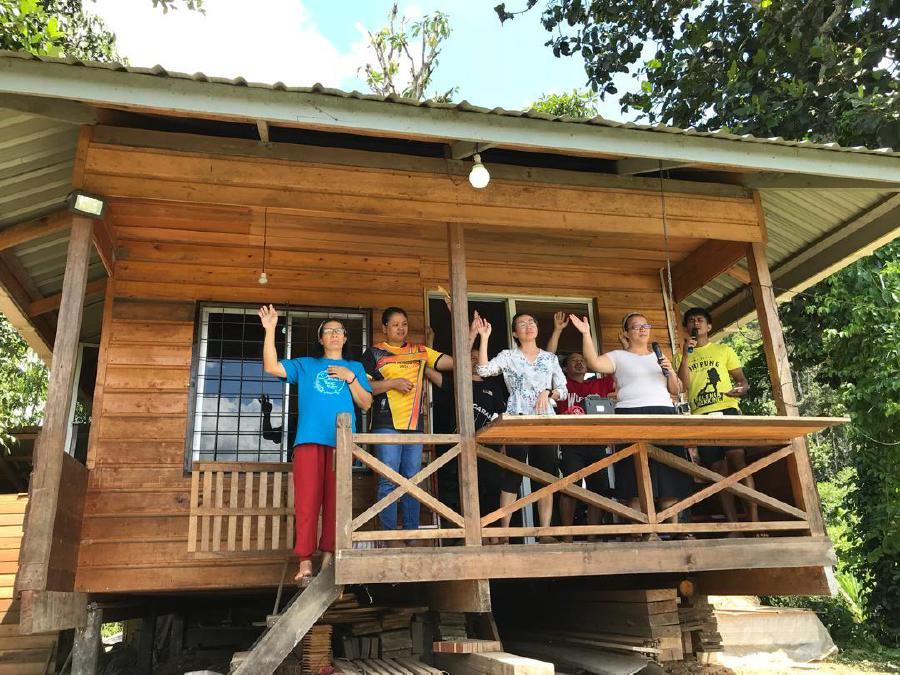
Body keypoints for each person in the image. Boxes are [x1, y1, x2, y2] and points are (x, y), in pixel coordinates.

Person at [259, 306, 372, 585]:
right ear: (321, 339)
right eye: (328, 331)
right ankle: (305, 559)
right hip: (308, 440)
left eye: (339, 331)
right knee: (308, 501)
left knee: (337, 501)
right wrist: (271, 329)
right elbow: (271, 366)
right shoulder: (306, 365)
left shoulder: (355, 367)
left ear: (346, 339)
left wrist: (351, 378)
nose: (334, 335)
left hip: (342, 444)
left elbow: (366, 402)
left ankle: (330, 555)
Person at [569, 312, 694, 531]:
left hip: (664, 413)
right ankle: (638, 530)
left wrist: (670, 370)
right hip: (630, 414)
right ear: (626, 333)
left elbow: (677, 390)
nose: (642, 329)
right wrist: (586, 333)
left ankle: (675, 530)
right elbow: (595, 364)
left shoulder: (658, 356)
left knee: (669, 476)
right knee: (633, 476)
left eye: (645, 325)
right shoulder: (618, 356)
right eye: (636, 326)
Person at [362, 307, 454, 545]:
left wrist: (461, 323)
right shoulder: (374, 353)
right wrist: (392, 383)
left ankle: (411, 534)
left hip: (415, 425)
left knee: (412, 479)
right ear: (384, 328)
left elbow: (454, 363)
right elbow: (365, 387)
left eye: (404, 323)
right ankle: (389, 536)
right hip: (385, 423)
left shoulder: (420, 351)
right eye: (395, 324)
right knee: (388, 480)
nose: (401, 328)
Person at [475, 313, 568, 543]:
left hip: (545, 420)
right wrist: (484, 337)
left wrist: (549, 392)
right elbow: (484, 370)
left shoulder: (549, 358)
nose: (529, 327)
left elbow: (563, 390)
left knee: (545, 475)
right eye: (522, 324)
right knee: (512, 474)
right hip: (517, 418)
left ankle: (545, 532)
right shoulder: (508, 356)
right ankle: (506, 533)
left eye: (532, 323)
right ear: (515, 333)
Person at [425, 312, 508, 542]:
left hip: (489, 447)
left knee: (491, 489)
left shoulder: (494, 387)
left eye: (476, 357)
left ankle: (492, 534)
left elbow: (500, 416)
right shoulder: (457, 383)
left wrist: (502, 447)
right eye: (468, 358)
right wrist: (429, 346)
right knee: (465, 491)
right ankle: (468, 537)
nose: (472, 360)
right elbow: (428, 369)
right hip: (460, 446)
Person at [676, 306, 758, 528]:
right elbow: (681, 386)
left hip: (727, 410)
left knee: (739, 463)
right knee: (717, 471)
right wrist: (685, 356)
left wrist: (741, 388)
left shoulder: (724, 350)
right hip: (701, 416)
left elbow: (743, 381)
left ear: (709, 326)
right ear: (686, 327)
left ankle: (754, 521)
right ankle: (733, 525)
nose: (696, 323)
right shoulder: (680, 356)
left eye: (700, 320)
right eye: (691, 320)